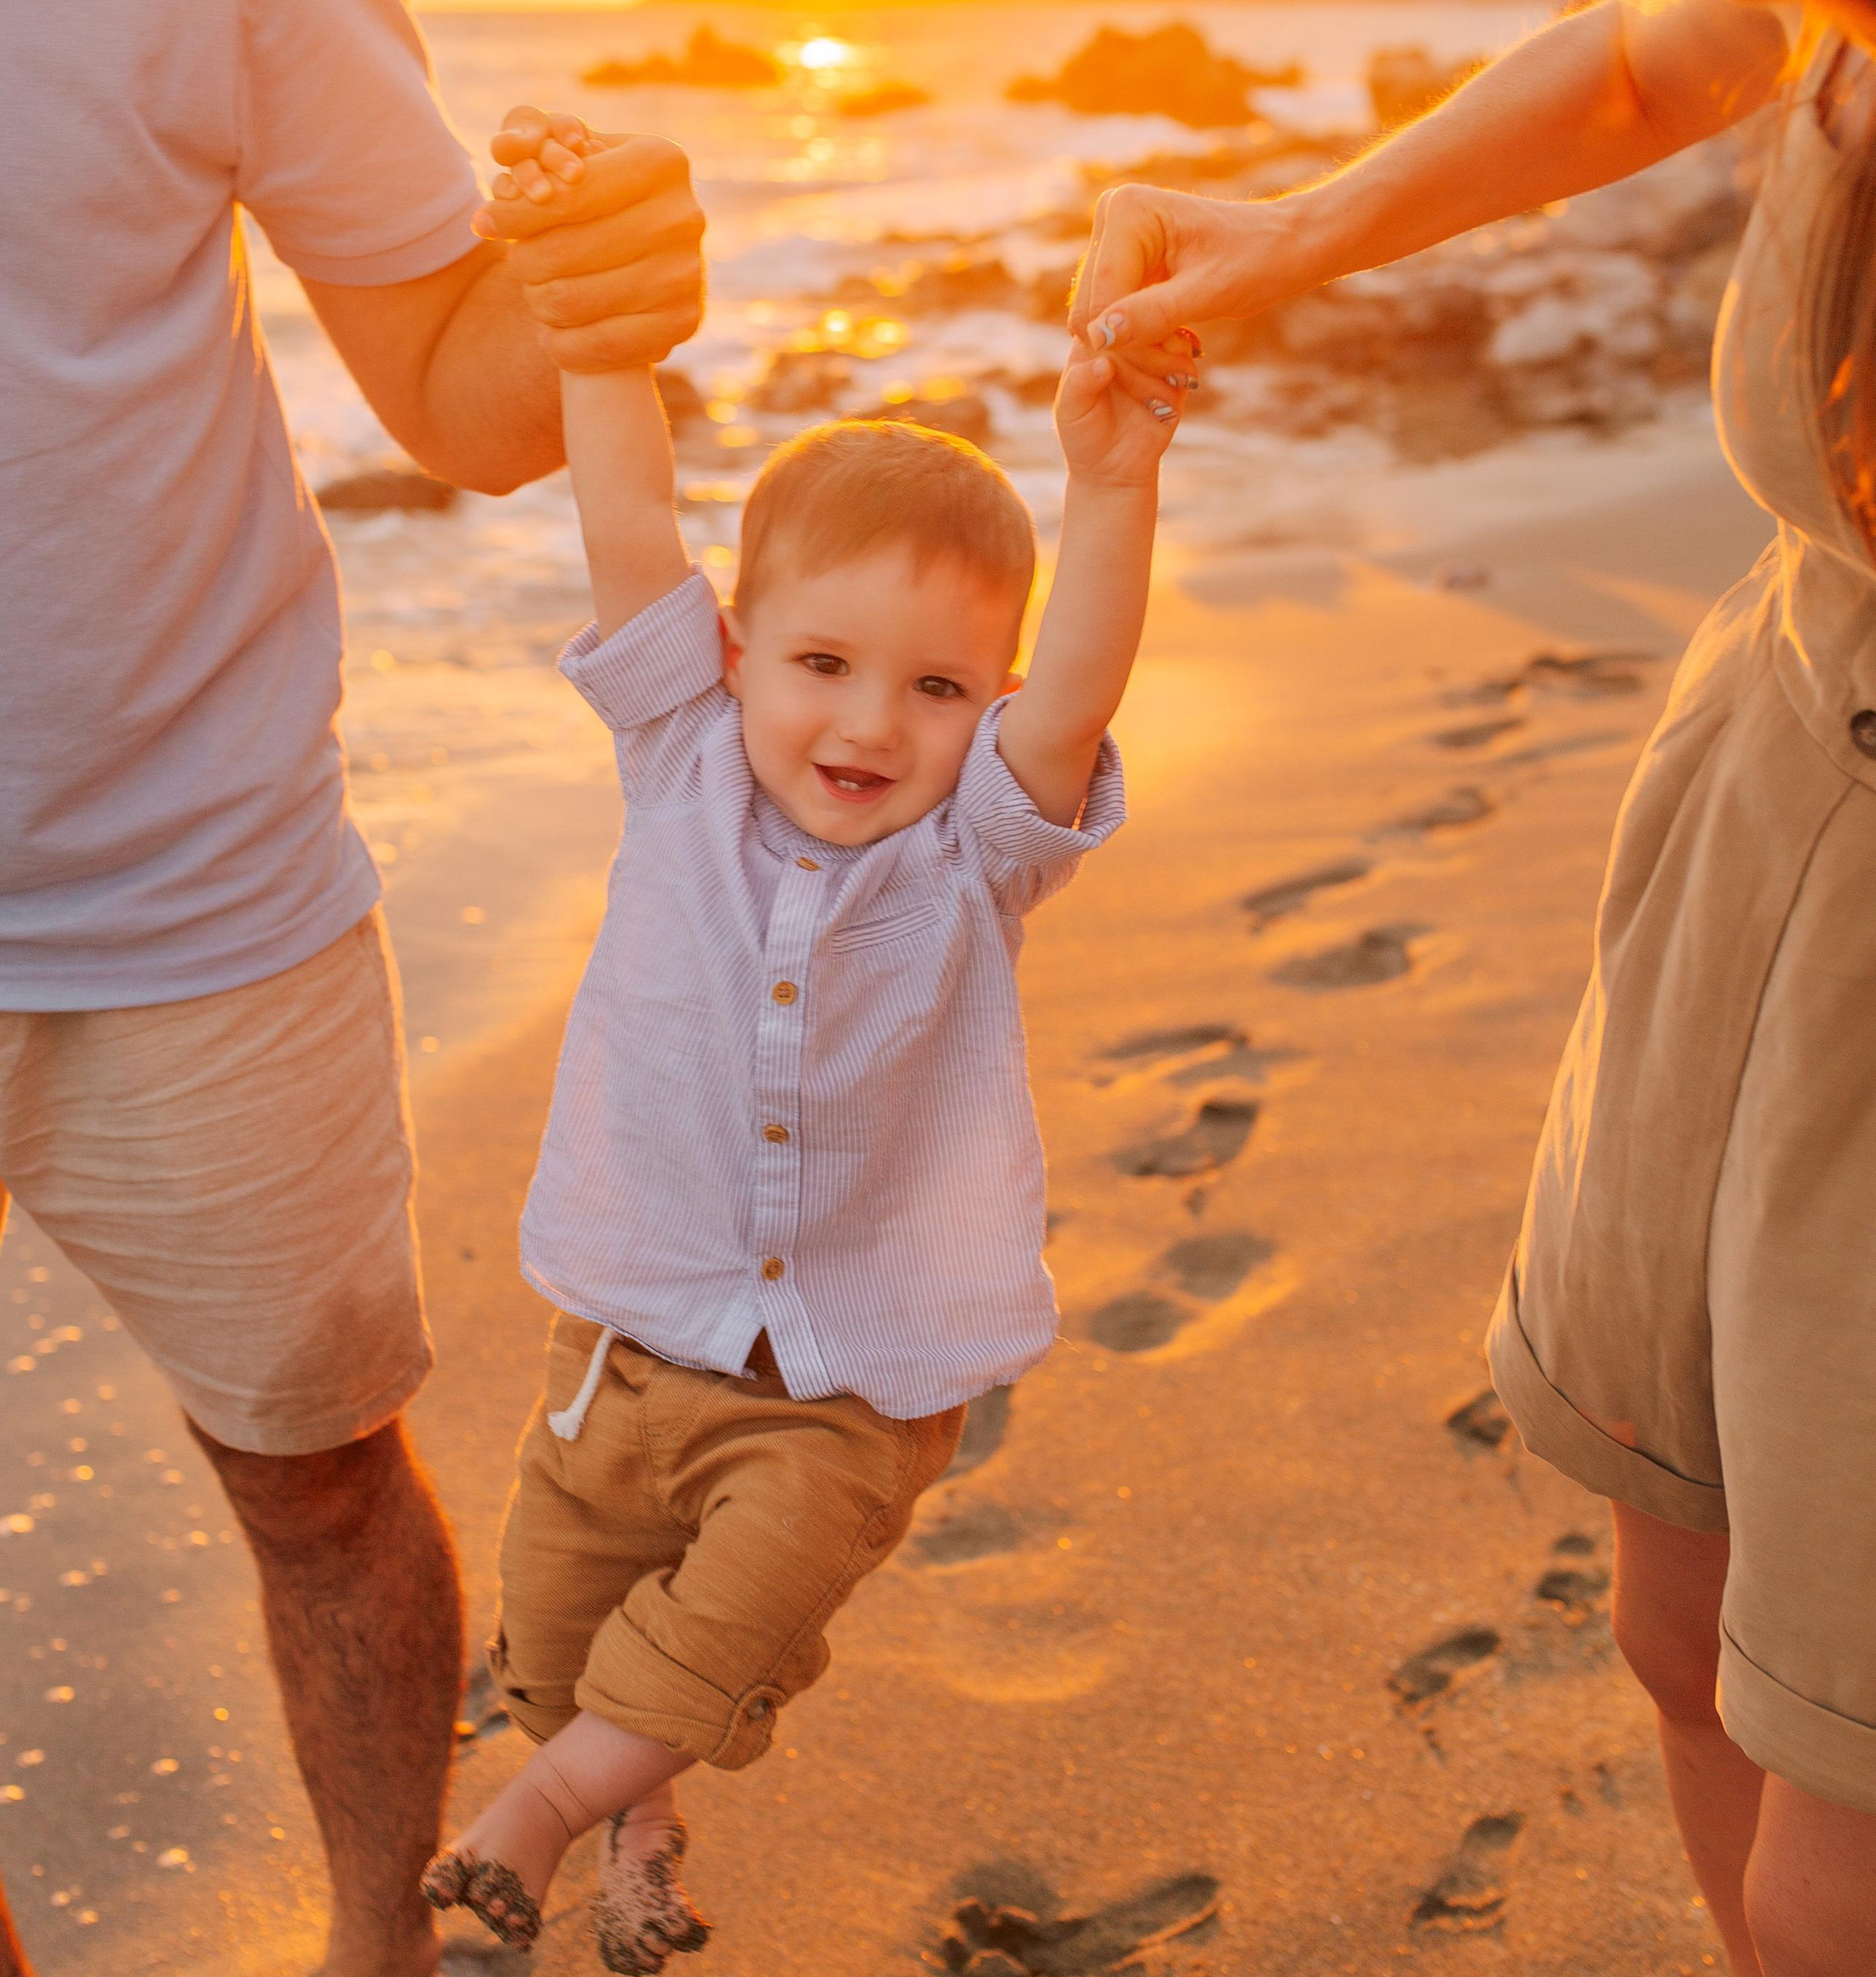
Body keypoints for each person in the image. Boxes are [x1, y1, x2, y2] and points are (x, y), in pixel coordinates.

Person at [1073, 5, 1876, 1972]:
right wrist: (1284, 236)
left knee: (1836, 1846)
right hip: (1768, 781)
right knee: (1674, 1622)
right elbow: (1649, 66)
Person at [0, 7, 701, 1973]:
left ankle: (378, 1949)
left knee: (317, 1482)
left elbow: (462, 389)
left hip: (193, 890)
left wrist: (596, 296)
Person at [412, 115, 1194, 1965]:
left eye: (934, 688)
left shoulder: (976, 851)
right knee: (559, 1634)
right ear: (735, 646)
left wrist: (1114, 483)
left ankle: (525, 1825)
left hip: (849, 1374)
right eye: (822, 663)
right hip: (632, 1320)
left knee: (708, 1628)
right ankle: (632, 1832)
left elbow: (1078, 676)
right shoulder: (676, 757)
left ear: (985, 707)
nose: (868, 723)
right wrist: (594, 321)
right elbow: (625, 514)